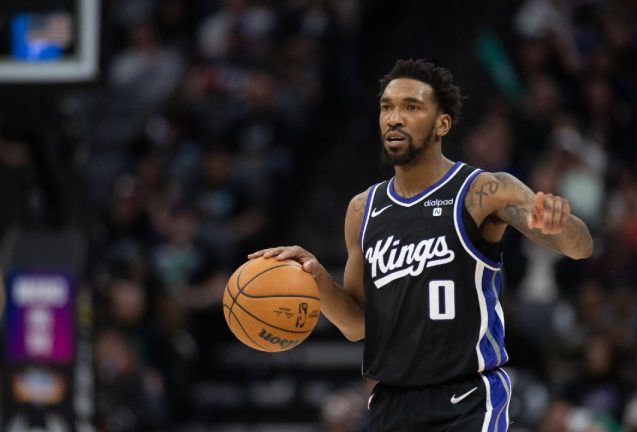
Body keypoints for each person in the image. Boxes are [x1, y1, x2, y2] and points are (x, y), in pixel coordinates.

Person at [249, 59, 593, 431]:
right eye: (386, 107)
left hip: (467, 399)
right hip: (391, 403)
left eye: (411, 107)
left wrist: (557, 222)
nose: (394, 118)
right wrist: (317, 279)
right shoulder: (363, 209)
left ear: (442, 123)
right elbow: (356, 324)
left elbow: (580, 246)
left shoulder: (481, 191)